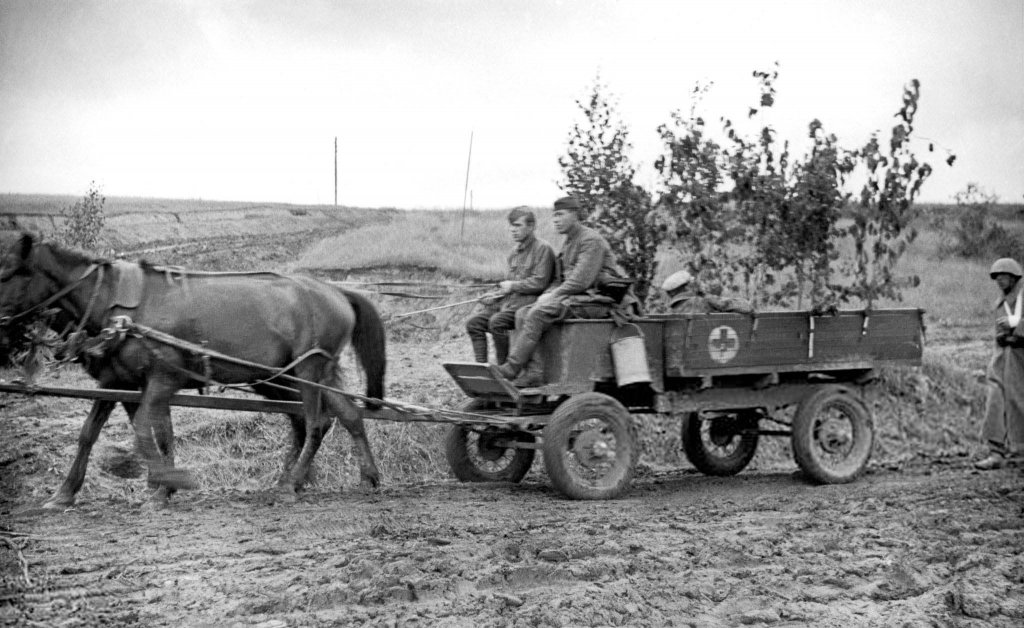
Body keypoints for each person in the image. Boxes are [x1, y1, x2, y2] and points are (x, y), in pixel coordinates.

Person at [494, 196, 633, 387]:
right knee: (522, 313)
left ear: (575, 215)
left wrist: (553, 295)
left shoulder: (590, 240)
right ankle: (534, 373)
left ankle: (511, 367)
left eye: (560, 215)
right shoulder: (569, 242)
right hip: (580, 298)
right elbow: (560, 280)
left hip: (600, 301)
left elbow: (580, 281)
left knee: (536, 314)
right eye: (553, 216)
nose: (555, 220)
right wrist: (548, 293)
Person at [465, 207, 555, 364]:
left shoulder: (543, 249)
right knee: (474, 323)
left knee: (497, 322)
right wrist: (494, 297)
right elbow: (508, 286)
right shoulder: (514, 253)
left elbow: (540, 282)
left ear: (531, 226)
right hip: (508, 305)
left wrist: (512, 286)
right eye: (511, 226)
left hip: (528, 306)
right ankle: (482, 366)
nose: (512, 230)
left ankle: (504, 368)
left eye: (518, 225)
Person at [975, 257, 1024, 470]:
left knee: (1018, 400)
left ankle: (1019, 450)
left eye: (1004, 276)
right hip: (1003, 356)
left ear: (1014, 277)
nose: (1000, 281)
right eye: (997, 277)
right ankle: (996, 451)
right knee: (995, 399)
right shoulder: (1001, 303)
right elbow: (999, 330)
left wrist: (1017, 327)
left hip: (1021, 358)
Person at [661, 270, 754, 314]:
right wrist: (704, 294)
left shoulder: (670, 312)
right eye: (692, 282)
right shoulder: (704, 301)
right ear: (687, 286)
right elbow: (747, 307)